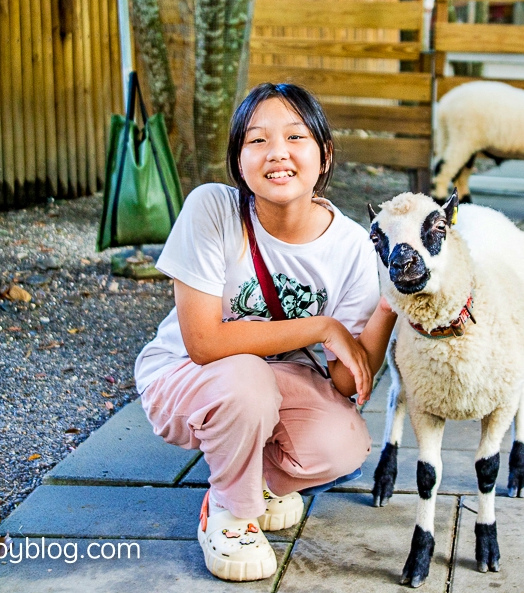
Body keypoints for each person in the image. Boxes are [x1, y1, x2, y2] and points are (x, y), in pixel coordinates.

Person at [134, 83, 397, 582]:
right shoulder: (212, 209)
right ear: (238, 160)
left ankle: (252, 481)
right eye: (257, 141)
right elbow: (204, 342)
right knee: (246, 381)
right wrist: (322, 325)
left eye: (296, 137)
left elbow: (345, 384)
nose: (277, 153)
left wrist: (388, 304)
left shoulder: (352, 247)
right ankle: (231, 513)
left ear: (324, 156)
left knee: (341, 444)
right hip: (185, 375)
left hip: (271, 386)